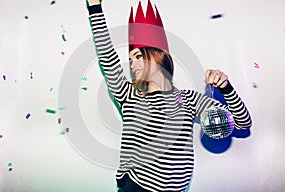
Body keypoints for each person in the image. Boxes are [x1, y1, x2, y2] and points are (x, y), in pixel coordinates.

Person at [85, 0, 252, 191]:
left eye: (138, 56)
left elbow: (242, 123)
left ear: (158, 55)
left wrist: (226, 88)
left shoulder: (188, 99)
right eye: (130, 59)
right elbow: (107, 57)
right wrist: (95, 8)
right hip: (137, 187)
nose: (131, 65)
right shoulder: (129, 95)